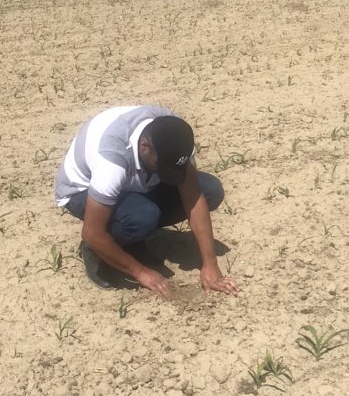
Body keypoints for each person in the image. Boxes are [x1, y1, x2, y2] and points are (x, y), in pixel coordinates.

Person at [54, 105, 238, 300]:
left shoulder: (176, 135)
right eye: (162, 165)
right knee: (141, 217)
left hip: (131, 181)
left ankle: (134, 236)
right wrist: (140, 272)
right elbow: (92, 233)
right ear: (145, 147)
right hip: (81, 191)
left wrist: (210, 265)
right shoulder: (112, 159)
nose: (167, 172)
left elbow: (193, 197)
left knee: (210, 190)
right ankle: (96, 250)